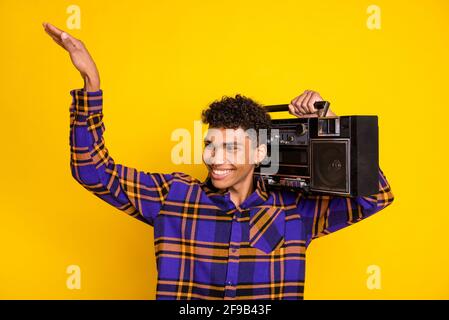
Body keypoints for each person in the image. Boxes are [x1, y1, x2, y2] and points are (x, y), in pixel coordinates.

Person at [43, 22, 394, 300]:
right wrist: (91, 82)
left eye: (230, 148)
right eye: (211, 144)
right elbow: (92, 170)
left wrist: (330, 124)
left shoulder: (294, 210)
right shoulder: (174, 196)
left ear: (260, 152)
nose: (215, 158)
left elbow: (375, 195)